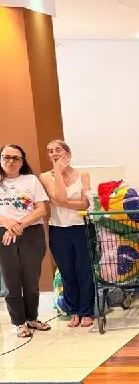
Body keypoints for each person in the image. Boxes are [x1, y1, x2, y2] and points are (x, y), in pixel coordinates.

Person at [40, 140, 95, 327]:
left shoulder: (83, 174)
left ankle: (87, 311)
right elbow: (60, 196)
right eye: (50, 151)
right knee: (67, 272)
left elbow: (85, 204)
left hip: (81, 226)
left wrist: (62, 203)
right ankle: (73, 311)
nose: (54, 153)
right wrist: (58, 171)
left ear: (68, 153)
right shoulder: (46, 176)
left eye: (58, 150)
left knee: (84, 270)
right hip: (58, 229)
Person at [0, 144, 50, 338]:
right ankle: (19, 322)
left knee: (31, 279)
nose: (11, 161)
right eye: (6, 157)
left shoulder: (31, 180)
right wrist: (6, 223)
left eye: (16, 158)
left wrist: (18, 225)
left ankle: (32, 318)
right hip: (3, 233)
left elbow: (41, 210)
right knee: (11, 280)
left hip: (31, 233)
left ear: (22, 161)